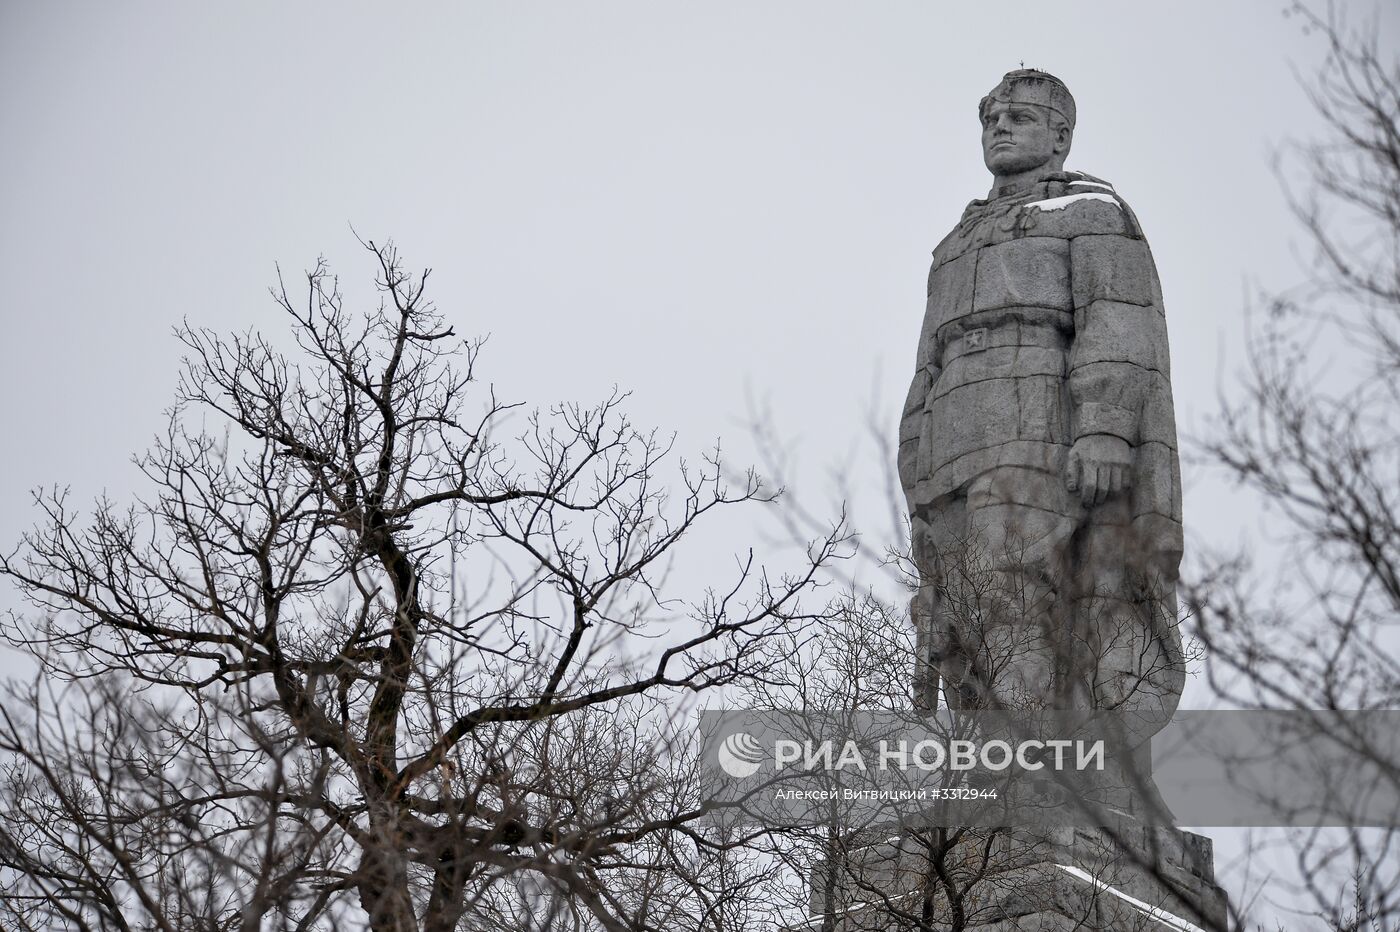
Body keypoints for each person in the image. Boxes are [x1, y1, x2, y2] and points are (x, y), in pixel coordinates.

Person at [898, 70, 1184, 721]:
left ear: (1059, 135)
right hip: (953, 448)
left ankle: (1032, 770)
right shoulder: (954, 245)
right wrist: (914, 459)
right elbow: (928, 362)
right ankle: (984, 763)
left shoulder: (1093, 214)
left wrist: (1104, 427)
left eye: (1019, 117)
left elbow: (1117, 321)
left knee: (1014, 591)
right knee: (959, 614)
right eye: (991, 118)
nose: (999, 127)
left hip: (1038, 432)